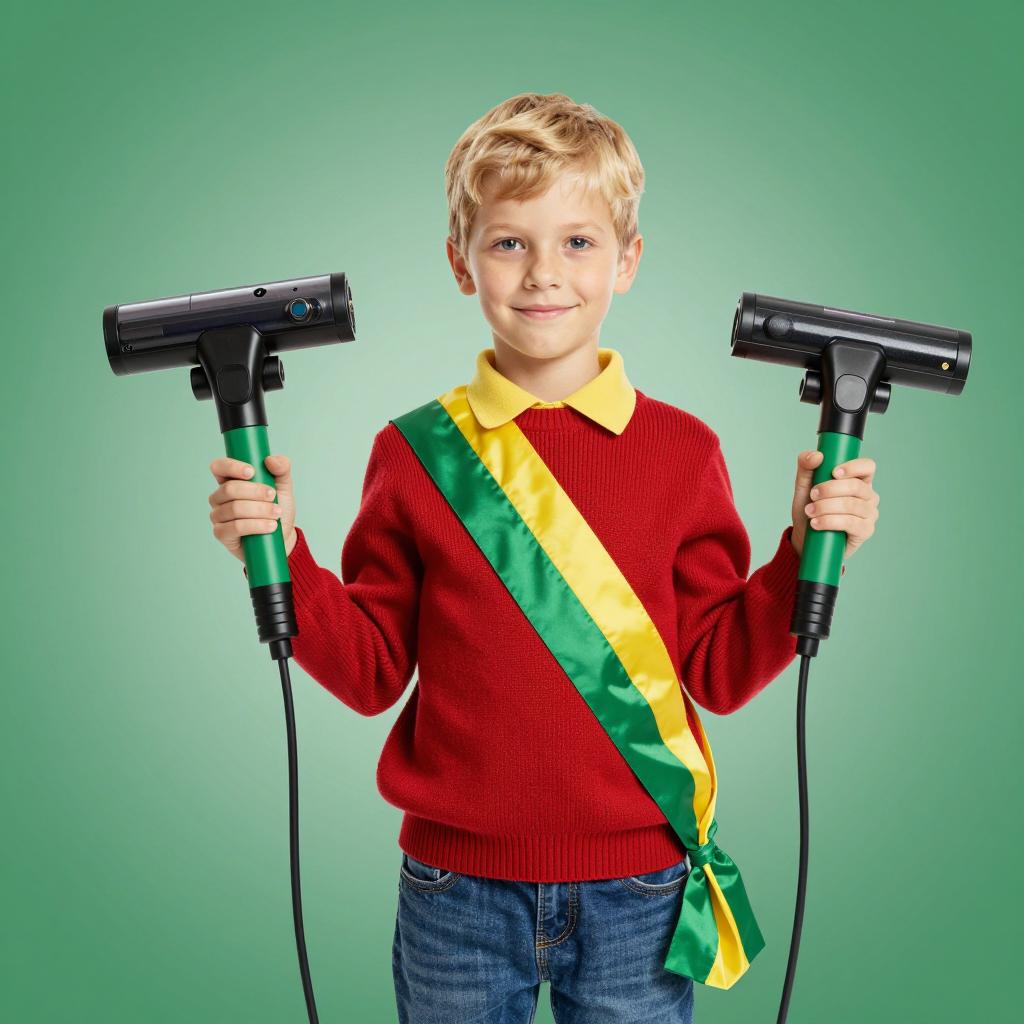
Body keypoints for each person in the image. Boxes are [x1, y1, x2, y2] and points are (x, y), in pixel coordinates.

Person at [207, 92, 880, 1023]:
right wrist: (283, 553)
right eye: (508, 242)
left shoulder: (684, 452)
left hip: (641, 887)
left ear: (627, 260)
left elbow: (718, 672)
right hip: (455, 889)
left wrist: (803, 553)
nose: (543, 274)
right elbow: (369, 672)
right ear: (461, 261)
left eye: (578, 242)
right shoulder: (415, 453)